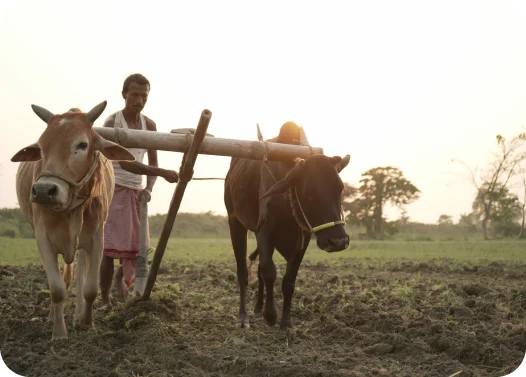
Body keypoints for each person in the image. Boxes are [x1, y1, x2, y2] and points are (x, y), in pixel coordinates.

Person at [100, 73, 178, 306]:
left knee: (136, 248)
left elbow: (152, 162)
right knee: (109, 250)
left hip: (136, 193)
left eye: (144, 96)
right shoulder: (113, 123)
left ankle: (122, 286)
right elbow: (124, 162)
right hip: (113, 190)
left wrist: (149, 188)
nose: (139, 100)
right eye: (134, 95)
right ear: (124, 94)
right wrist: (163, 173)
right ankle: (104, 299)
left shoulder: (149, 125)